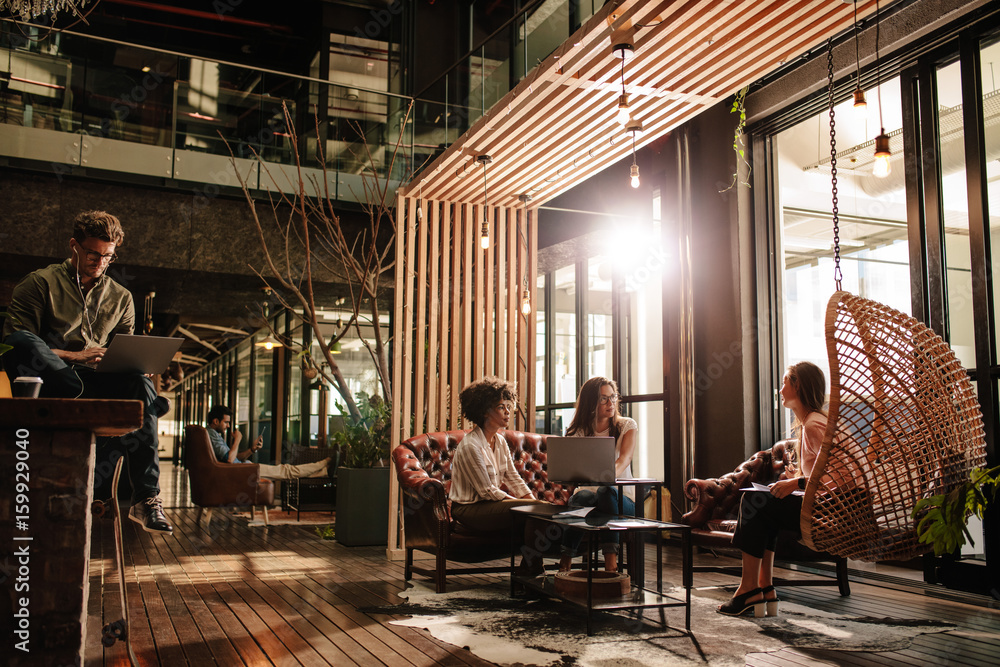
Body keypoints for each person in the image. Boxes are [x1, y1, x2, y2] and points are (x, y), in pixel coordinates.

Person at [1, 211, 172, 534]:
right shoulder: (40, 283)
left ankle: (146, 498)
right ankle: (140, 404)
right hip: (54, 376)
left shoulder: (121, 298)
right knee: (22, 340)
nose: (100, 262)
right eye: (93, 254)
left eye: (108, 256)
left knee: (138, 381)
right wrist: (75, 355)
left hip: (98, 379)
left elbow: (123, 351)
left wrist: (136, 366)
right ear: (74, 246)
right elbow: (15, 346)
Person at [717, 361, 827, 617]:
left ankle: (749, 589)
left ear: (798, 386)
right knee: (766, 499)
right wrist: (796, 478)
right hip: (821, 504)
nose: (780, 390)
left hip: (826, 511)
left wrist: (796, 483)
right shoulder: (814, 422)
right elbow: (822, 473)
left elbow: (841, 475)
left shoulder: (814, 425)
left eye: (785, 382)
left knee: (753, 503)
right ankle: (765, 587)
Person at [450, 376, 550, 571]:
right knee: (537, 510)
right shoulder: (471, 445)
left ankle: (530, 570)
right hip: (469, 510)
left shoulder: (501, 441)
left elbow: (513, 477)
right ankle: (531, 573)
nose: (507, 412)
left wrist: (533, 503)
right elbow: (487, 491)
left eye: (508, 406)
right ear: (485, 411)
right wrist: (528, 505)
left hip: (490, 505)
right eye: (500, 407)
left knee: (538, 512)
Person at [558, 377, 638, 573]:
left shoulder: (627, 425)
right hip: (588, 498)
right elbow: (572, 470)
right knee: (584, 495)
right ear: (590, 402)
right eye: (604, 399)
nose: (611, 403)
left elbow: (624, 459)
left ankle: (611, 561)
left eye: (613, 397)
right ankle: (565, 560)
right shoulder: (578, 431)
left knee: (605, 491)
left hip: (620, 498)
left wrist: (605, 477)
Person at [206, 405, 331, 479]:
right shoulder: (212, 435)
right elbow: (229, 460)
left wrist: (252, 450)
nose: (228, 426)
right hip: (242, 471)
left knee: (286, 473)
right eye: (226, 422)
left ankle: (324, 471)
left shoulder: (212, 435)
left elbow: (232, 458)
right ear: (216, 421)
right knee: (286, 471)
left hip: (242, 468)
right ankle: (324, 462)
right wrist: (238, 439)